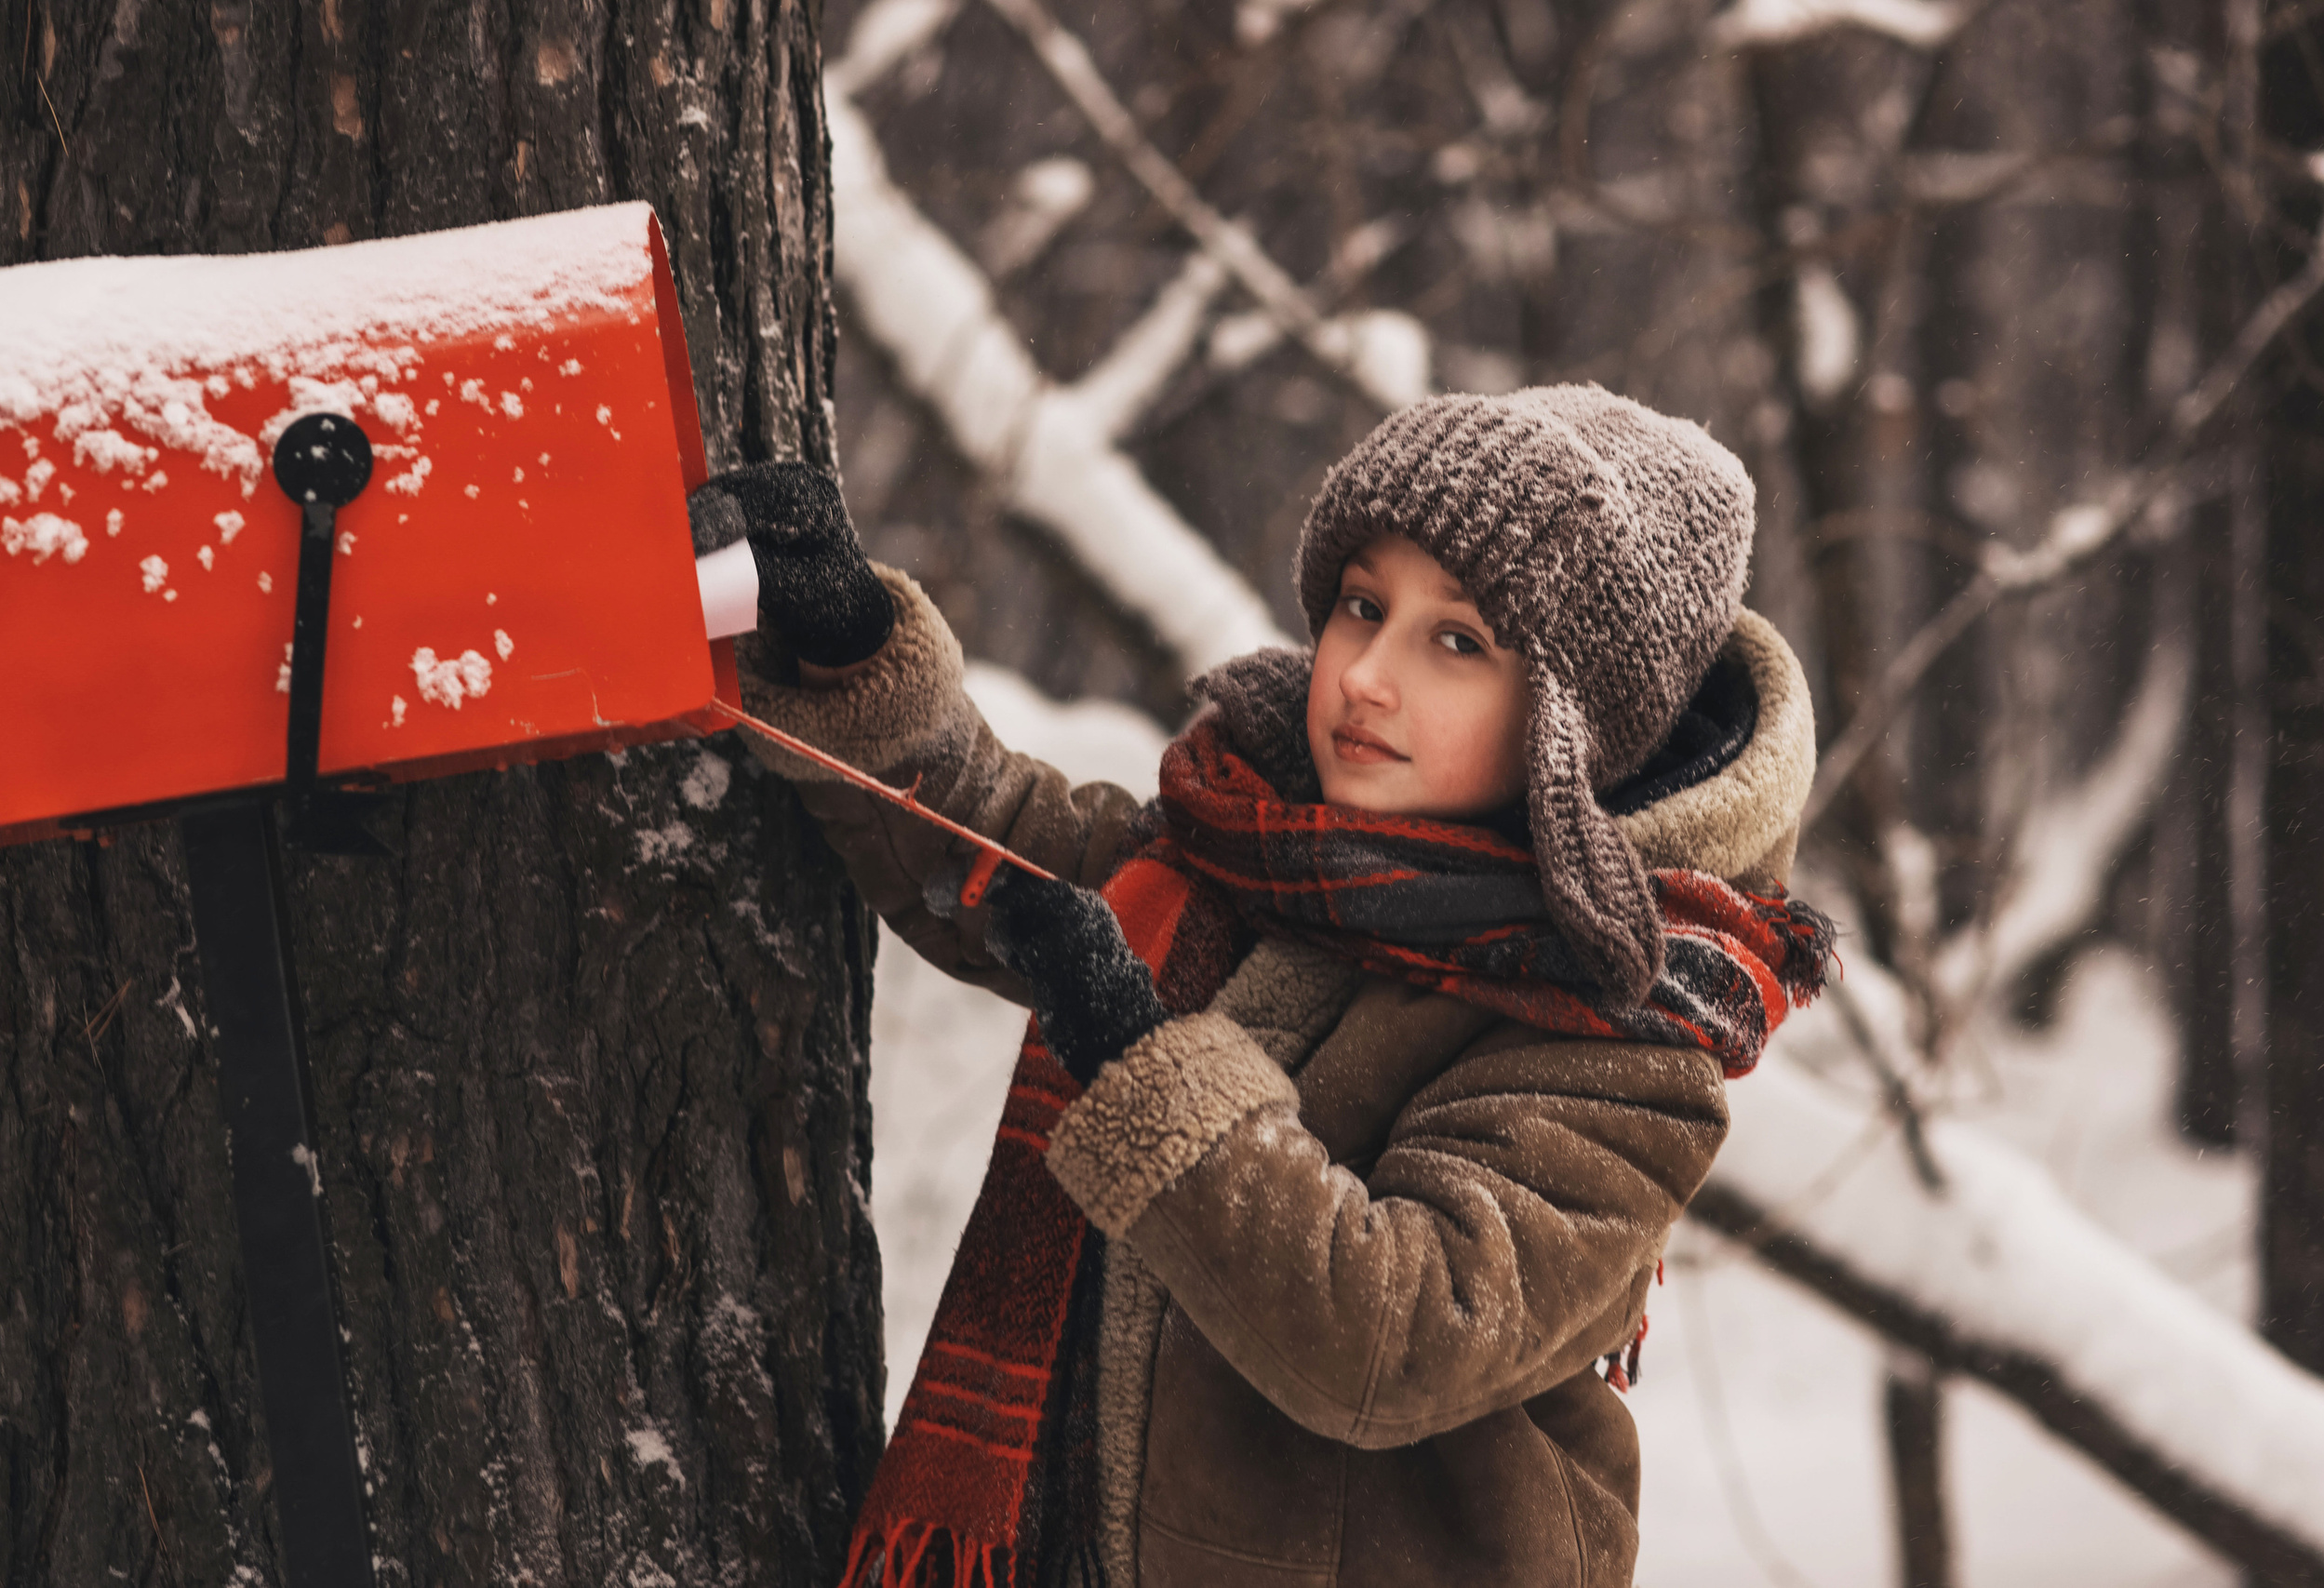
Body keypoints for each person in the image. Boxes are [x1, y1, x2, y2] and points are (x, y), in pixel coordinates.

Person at [697, 384, 1832, 1588]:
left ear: (1574, 732)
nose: (1366, 676)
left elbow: (1394, 1331)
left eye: (1458, 641)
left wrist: (1146, 1063)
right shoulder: (1263, 861)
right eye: (1362, 605)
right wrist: (852, 656)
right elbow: (1028, 862)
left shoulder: (1628, 1041)